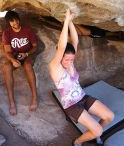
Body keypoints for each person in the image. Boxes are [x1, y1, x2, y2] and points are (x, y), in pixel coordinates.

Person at [49, 9, 114, 146]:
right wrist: (65, 20)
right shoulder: (55, 67)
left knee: (109, 116)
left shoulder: (70, 61)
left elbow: (75, 40)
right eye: (66, 59)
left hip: (82, 97)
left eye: (71, 59)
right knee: (97, 131)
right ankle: (78, 142)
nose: (70, 62)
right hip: (71, 105)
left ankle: (94, 132)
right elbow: (61, 47)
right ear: (60, 57)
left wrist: (71, 21)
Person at [2, 10, 38, 115]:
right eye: (12, 21)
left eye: (16, 20)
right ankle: (12, 102)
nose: (15, 23)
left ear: (19, 19)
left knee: (27, 65)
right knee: (6, 67)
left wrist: (26, 54)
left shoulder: (27, 30)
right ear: (9, 23)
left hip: (28, 55)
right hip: (15, 56)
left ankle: (34, 97)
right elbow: (7, 51)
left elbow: (35, 47)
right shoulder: (7, 33)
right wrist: (13, 60)